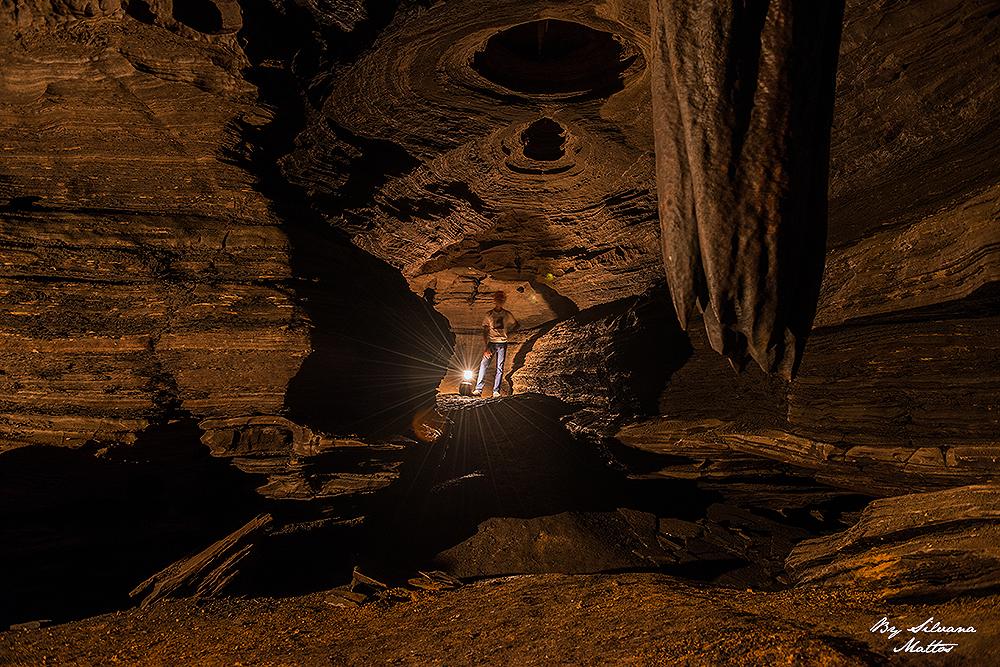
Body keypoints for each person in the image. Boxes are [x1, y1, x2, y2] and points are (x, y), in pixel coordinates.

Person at [473, 290, 518, 397]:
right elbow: (485, 330)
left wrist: (509, 332)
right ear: (495, 299)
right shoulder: (489, 314)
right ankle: (478, 389)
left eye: (502, 298)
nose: (500, 300)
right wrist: (486, 347)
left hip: (502, 343)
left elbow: (516, 324)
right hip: (492, 343)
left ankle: (496, 391)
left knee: (499, 368)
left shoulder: (507, 314)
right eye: (498, 298)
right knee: (484, 365)